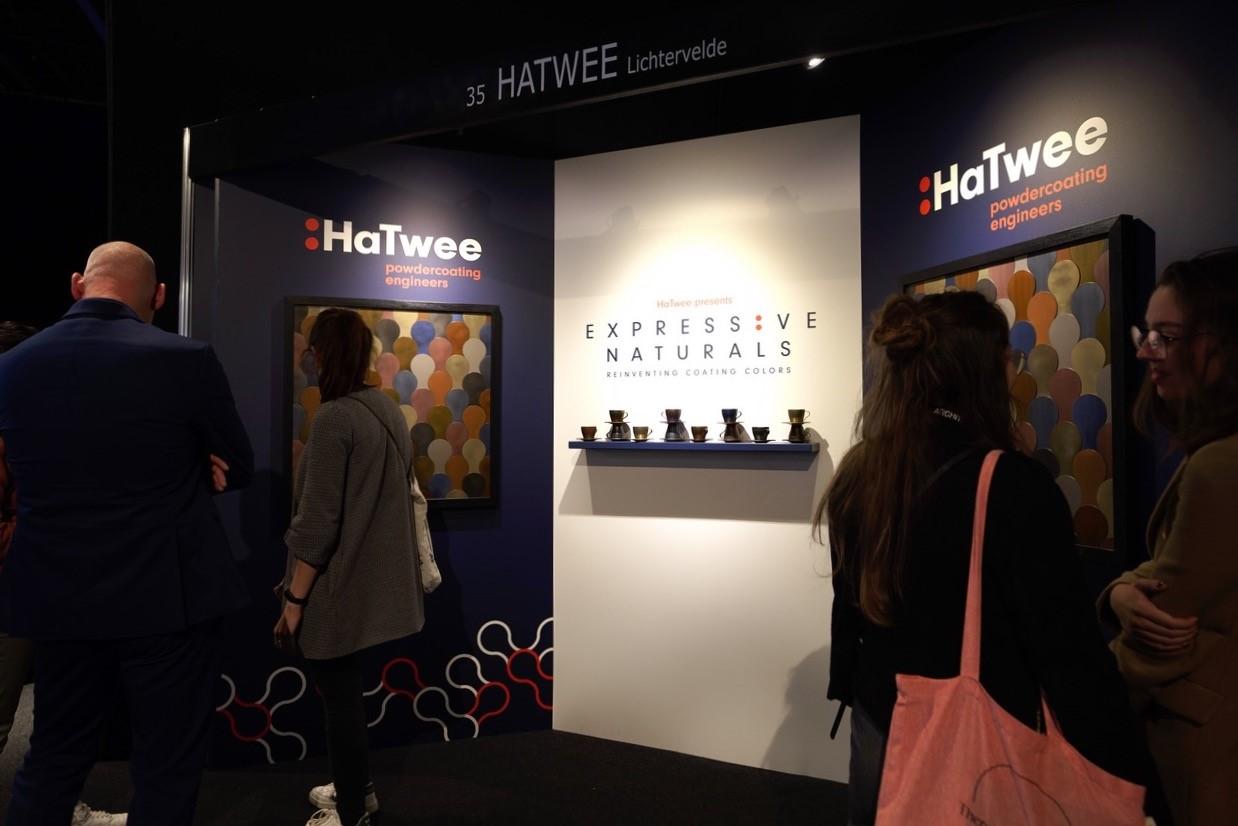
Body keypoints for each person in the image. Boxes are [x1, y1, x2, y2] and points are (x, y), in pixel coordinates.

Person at [817, 291, 1158, 825]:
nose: (1014, 372)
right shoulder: (1010, 484)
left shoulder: (861, 470)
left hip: (880, 722)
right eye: (1010, 359)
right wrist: (1139, 785)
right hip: (974, 741)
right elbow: (1069, 657)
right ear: (984, 369)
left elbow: (851, 608)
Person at [0, 242, 253, 825]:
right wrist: (196, 463)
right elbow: (236, 463)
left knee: (53, 757)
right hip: (167, 598)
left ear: (77, 284)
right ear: (158, 296)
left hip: (58, 598)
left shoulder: (13, 366)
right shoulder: (186, 359)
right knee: (166, 767)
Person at [1099, 248, 1238, 826]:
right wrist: (1120, 593)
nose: (1145, 351)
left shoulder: (1220, 465)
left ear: (1222, 343)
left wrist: (1082, 692)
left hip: (1206, 749)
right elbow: (1168, 572)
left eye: (1166, 337)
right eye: (1146, 334)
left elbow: (1169, 617)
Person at [276, 308, 428, 826]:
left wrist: (293, 600)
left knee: (339, 701)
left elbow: (317, 525)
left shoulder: (334, 418)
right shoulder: (387, 409)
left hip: (335, 587)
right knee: (344, 695)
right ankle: (355, 789)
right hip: (371, 583)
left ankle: (351, 811)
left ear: (321, 355)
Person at [0, 320, 126, 826]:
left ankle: (58, 806)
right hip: (17, 585)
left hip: (52, 584)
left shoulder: (37, 419)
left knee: (59, 713)